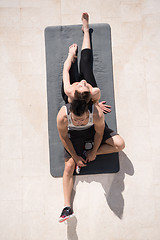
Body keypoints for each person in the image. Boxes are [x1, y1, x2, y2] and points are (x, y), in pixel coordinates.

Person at [62, 12, 111, 114]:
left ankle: (73, 59)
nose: (83, 81)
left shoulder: (69, 90)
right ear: (89, 93)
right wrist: (97, 105)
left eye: (80, 85)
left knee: (71, 66)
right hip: (85, 99)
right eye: (86, 85)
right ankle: (86, 31)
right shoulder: (94, 91)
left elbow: (65, 70)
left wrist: (70, 55)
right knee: (85, 62)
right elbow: (95, 100)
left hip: (73, 96)